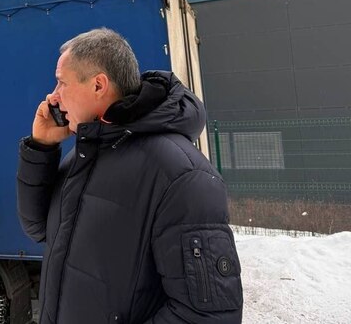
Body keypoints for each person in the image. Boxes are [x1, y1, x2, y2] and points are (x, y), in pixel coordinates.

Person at [17, 28, 242, 323]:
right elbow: (39, 228)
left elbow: (206, 316)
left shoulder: (181, 175)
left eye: (62, 83)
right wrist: (41, 147)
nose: (53, 96)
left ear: (98, 85)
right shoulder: (87, 154)